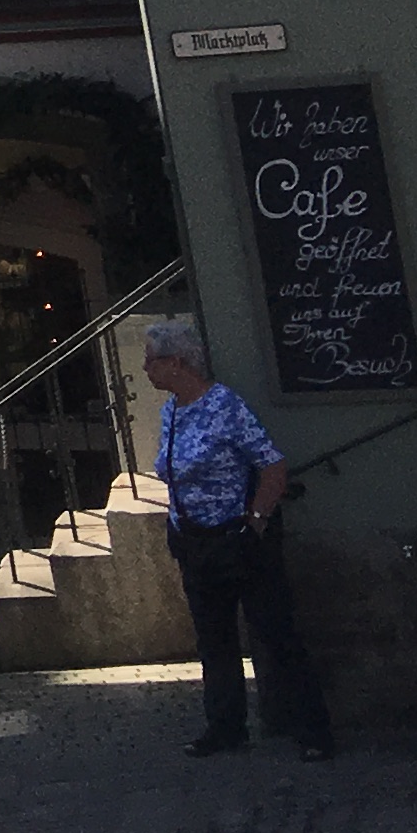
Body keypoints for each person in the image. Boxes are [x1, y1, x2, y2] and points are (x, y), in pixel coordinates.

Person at [143, 318, 333, 761]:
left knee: (275, 634)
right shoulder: (171, 411)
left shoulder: (224, 406)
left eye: (152, 360)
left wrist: (255, 522)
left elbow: (272, 466)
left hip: (236, 541)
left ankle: (313, 729)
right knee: (214, 641)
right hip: (193, 541)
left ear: (177, 362)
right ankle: (225, 726)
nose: (146, 369)